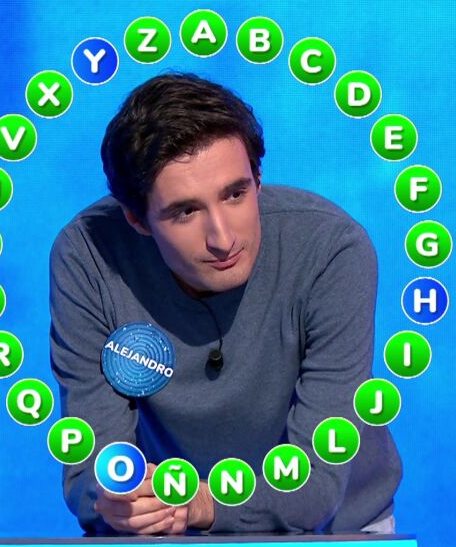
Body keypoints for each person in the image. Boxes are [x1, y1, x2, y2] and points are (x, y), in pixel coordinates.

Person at [49, 73, 402, 535]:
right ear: (137, 219)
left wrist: (201, 502)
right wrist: (118, 499)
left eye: (236, 194)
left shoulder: (331, 250)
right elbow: (89, 468)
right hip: (166, 529)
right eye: (186, 211)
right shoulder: (88, 256)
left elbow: (316, 485)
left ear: (258, 178)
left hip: (335, 530)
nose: (223, 238)